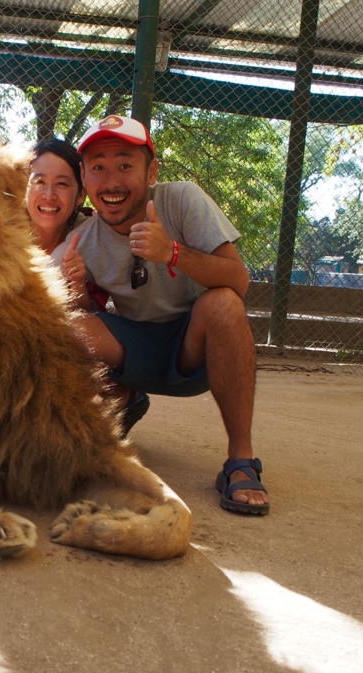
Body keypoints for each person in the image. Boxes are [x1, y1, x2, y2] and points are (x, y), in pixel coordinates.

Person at [51, 115, 269, 516]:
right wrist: (77, 289)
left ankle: (240, 460)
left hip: (195, 347)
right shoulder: (79, 241)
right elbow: (72, 316)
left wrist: (172, 252)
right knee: (65, 327)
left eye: (125, 164)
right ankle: (108, 414)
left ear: (151, 170)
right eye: (98, 167)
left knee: (223, 303)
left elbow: (238, 279)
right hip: (137, 346)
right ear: (84, 178)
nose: (111, 180)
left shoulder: (182, 200)